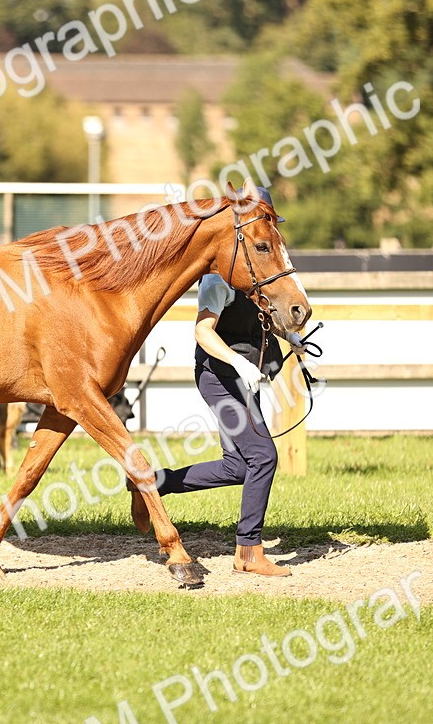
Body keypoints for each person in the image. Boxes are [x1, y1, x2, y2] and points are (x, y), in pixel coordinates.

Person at [129, 186, 304, 577]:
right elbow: (203, 332)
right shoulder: (218, 277)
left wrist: (289, 337)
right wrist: (239, 366)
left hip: (241, 376)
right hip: (220, 375)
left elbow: (259, 317)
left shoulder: (256, 271)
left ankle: (151, 483)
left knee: (239, 467)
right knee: (263, 457)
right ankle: (248, 551)